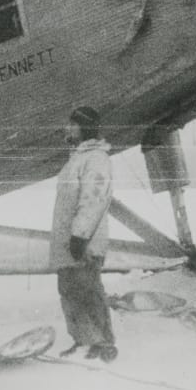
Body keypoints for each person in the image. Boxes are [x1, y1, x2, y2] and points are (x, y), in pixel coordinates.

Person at [50, 106, 117, 362]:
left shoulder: (96, 159)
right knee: (70, 291)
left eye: (73, 124)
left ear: (85, 128)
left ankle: (101, 344)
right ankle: (82, 340)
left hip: (83, 241)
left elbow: (94, 199)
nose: (67, 128)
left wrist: (80, 236)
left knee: (88, 290)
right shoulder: (77, 158)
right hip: (70, 242)